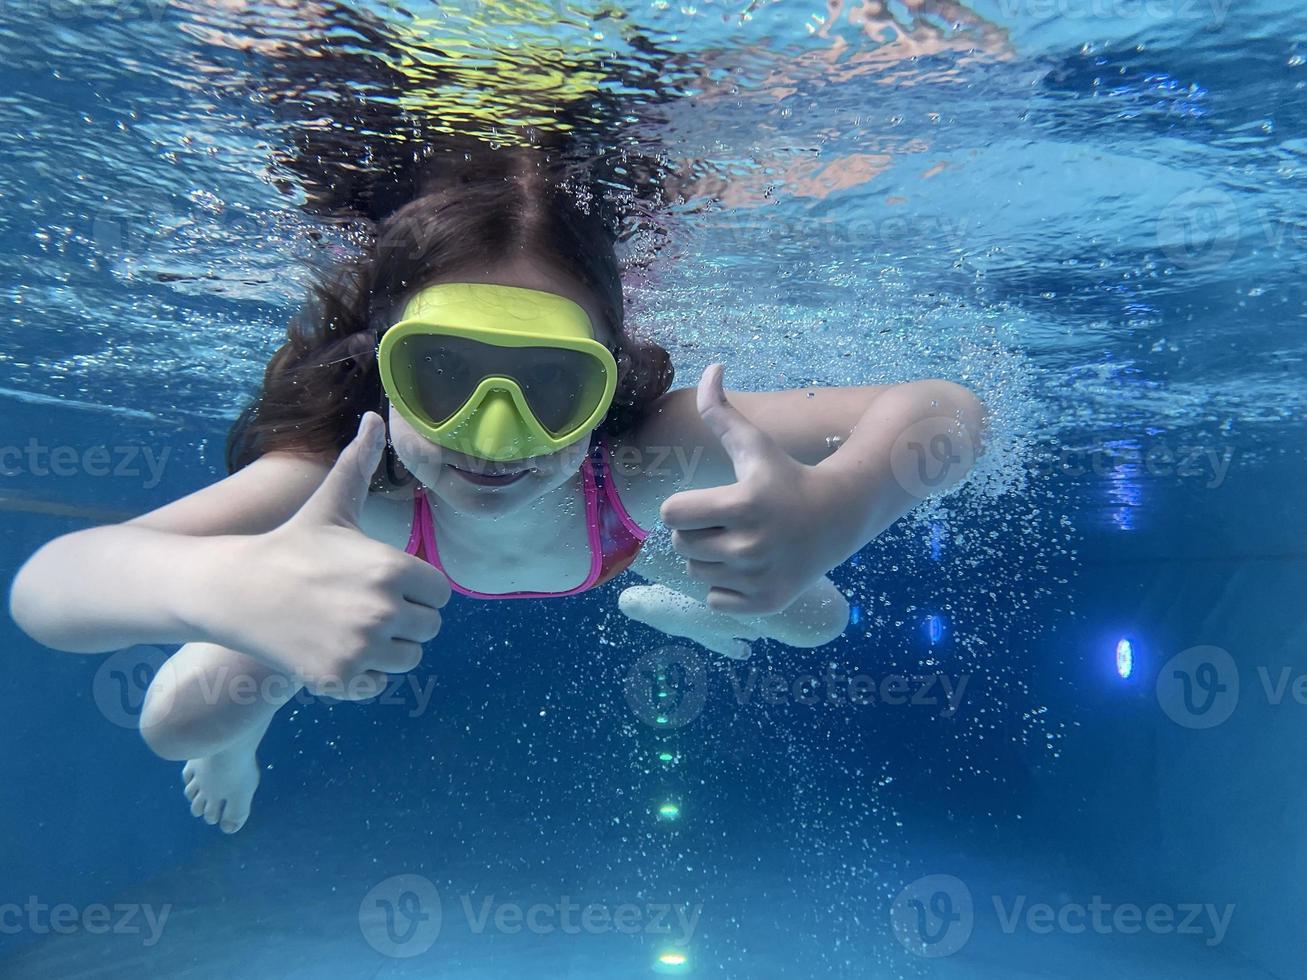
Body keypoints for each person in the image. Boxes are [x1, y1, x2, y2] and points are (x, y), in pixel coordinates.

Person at [9, 140, 985, 835]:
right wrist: (237, 595)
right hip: (361, 580)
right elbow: (52, 583)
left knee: (818, 621)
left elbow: (946, 406)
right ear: (382, 366)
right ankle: (249, 724)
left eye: (552, 385)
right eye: (443, 375)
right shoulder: (361, 482)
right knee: (179, 723)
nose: (493, 438)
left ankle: (677, 606)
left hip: (619, 543)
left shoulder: (644, 451)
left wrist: (838, 504)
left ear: (604, 380)